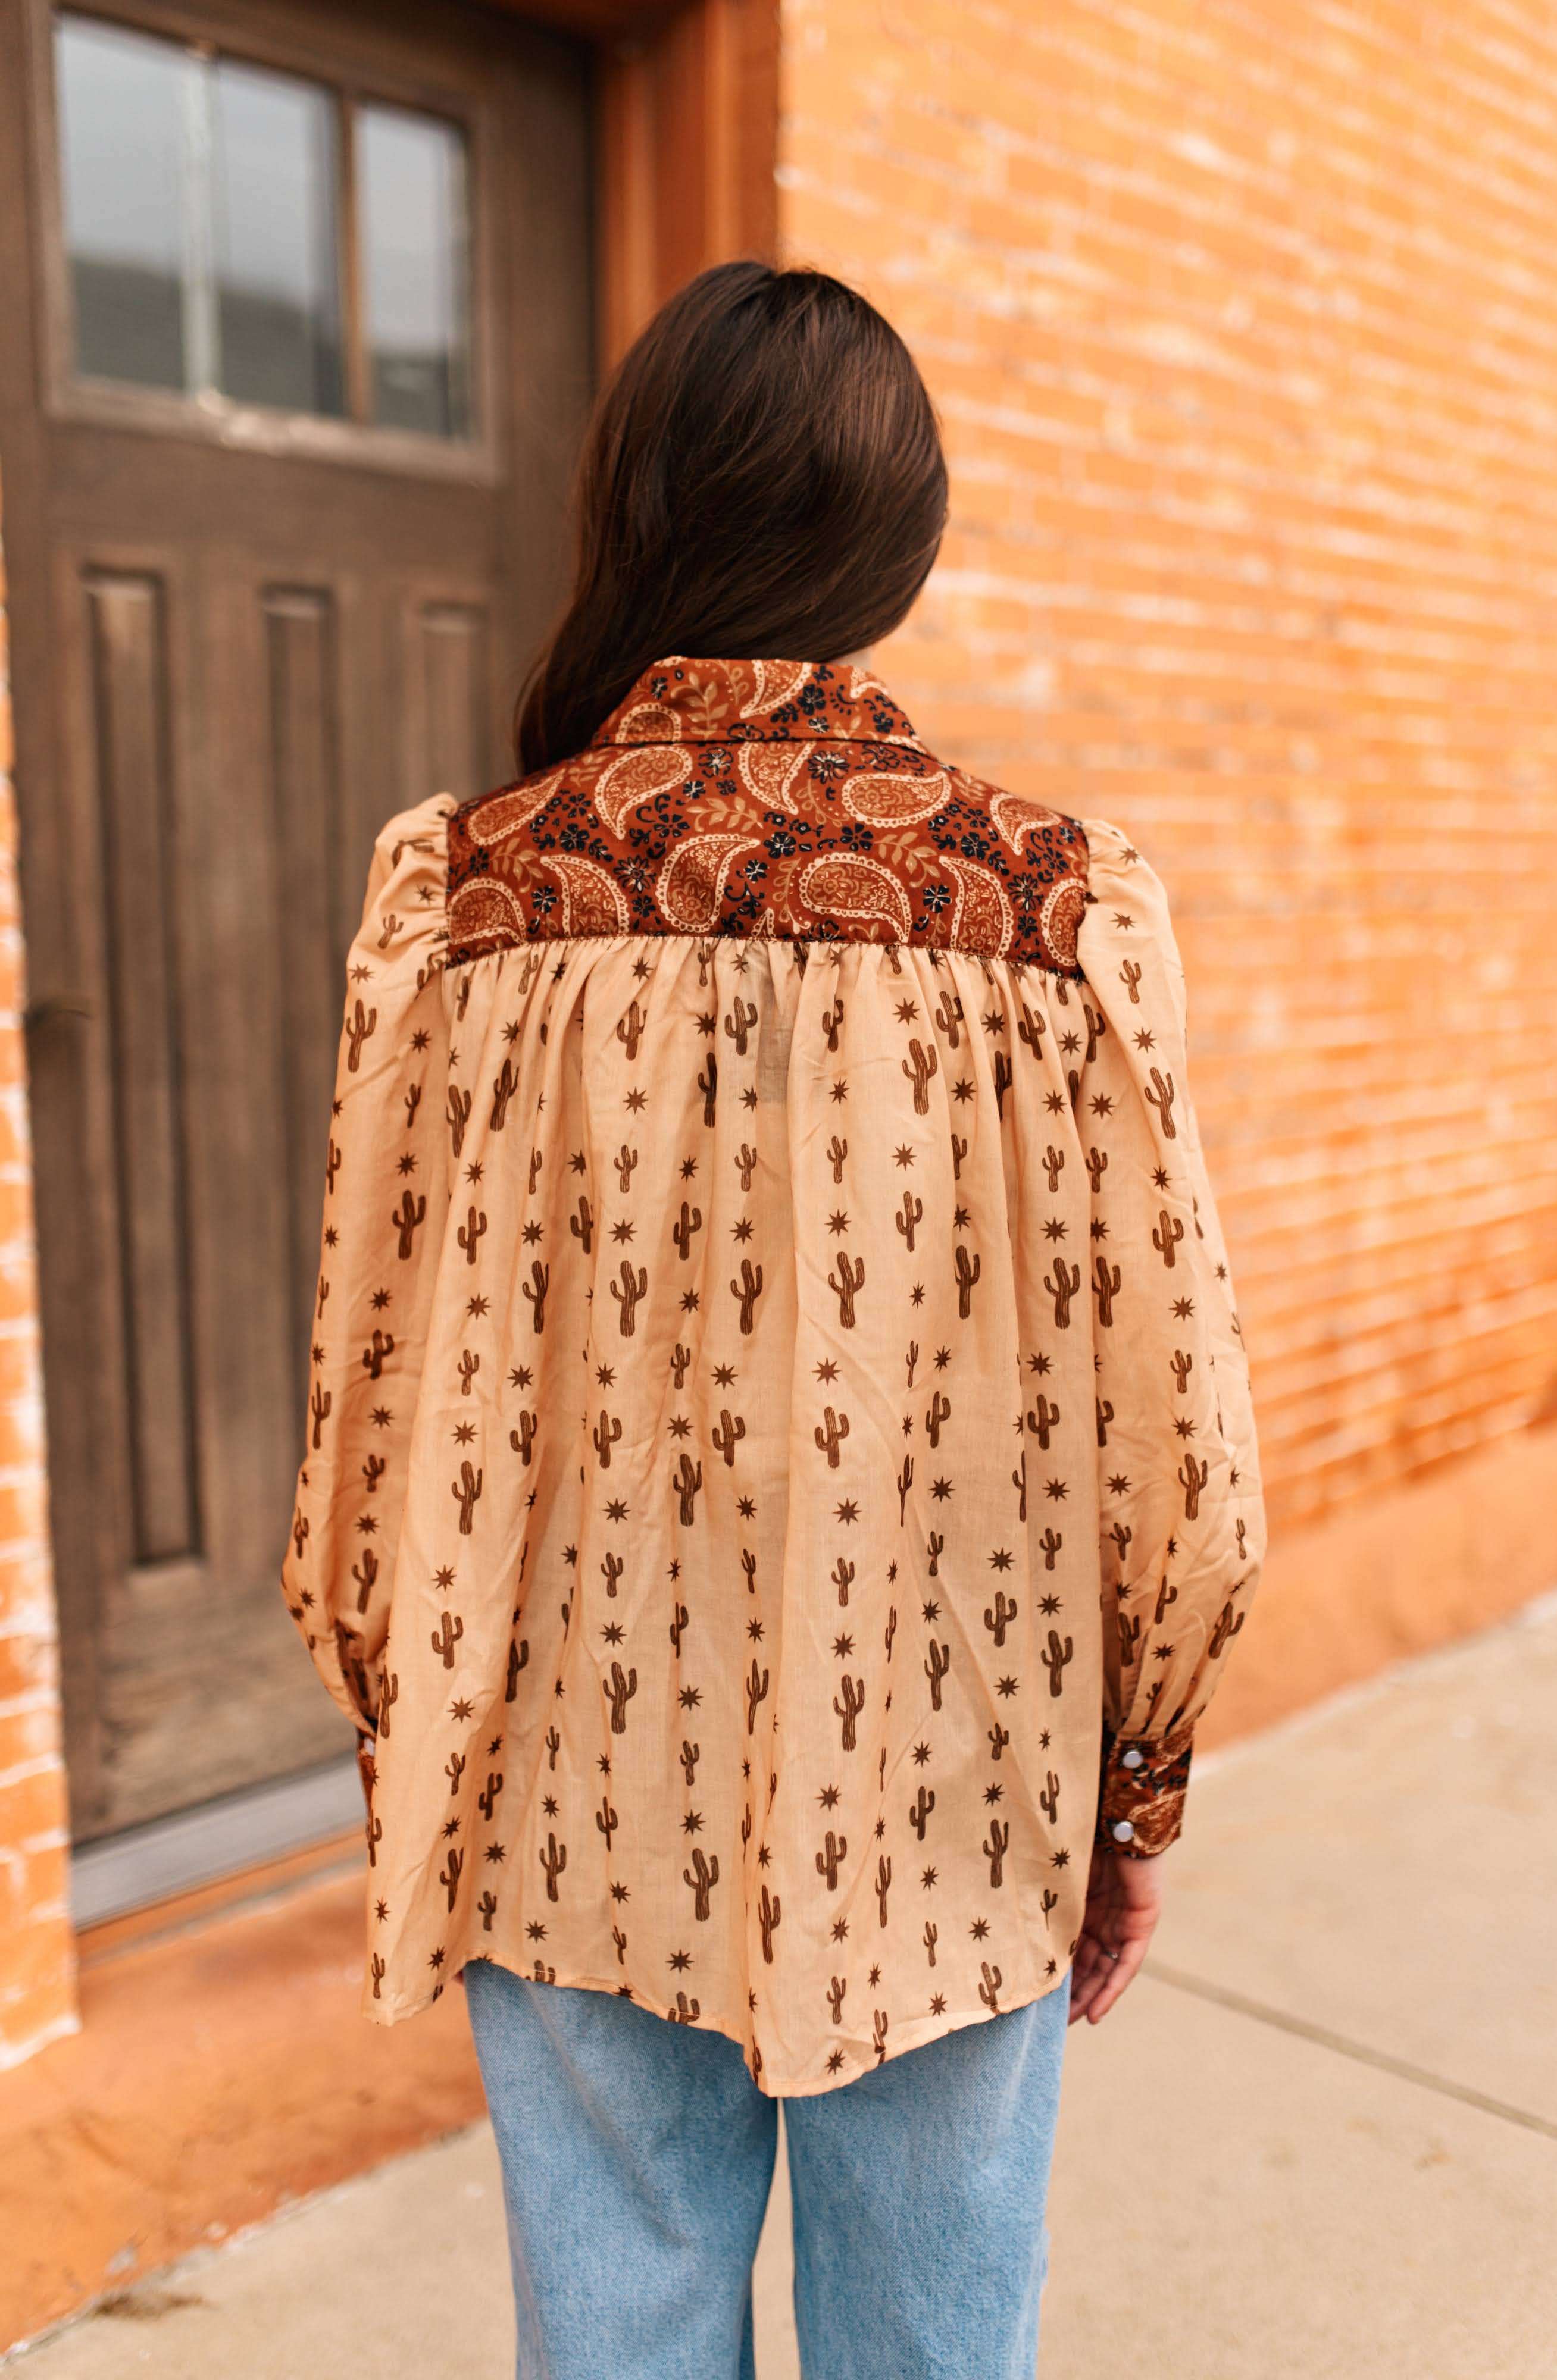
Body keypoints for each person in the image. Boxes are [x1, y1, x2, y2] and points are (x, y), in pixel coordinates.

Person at [282, 261, 1265, 2380]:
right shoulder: (1052, 906)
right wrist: (1135, 1791)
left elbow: (369, 1400)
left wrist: (408, 1711)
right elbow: (1178, 1441)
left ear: (631, 516)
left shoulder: (461, 901)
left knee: (612, 2337)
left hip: (561, 1770)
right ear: (892, 549)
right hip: (962, 1772)